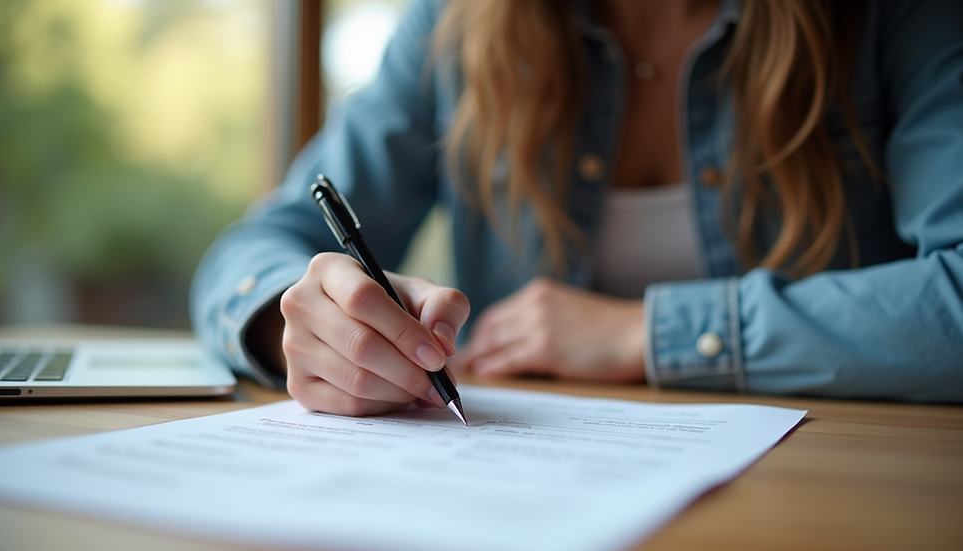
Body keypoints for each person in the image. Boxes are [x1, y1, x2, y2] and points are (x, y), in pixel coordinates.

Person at [191, 0, 963, 416]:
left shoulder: (892, 19)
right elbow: (255, 249)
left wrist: (643, 333)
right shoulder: (455, 24)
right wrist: (301, 320)